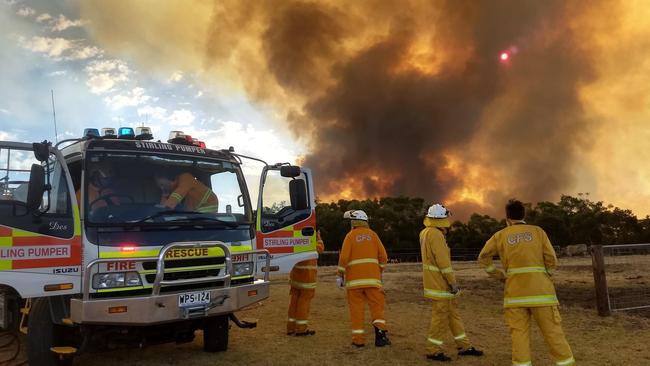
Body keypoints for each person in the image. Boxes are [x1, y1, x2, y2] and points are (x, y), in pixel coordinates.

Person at [478, 199, 575, 366]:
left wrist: (499, 275)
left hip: (515, 295)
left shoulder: (500, 235)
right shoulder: (538, 232)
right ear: (524, 215)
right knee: (553, 333)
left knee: (519, 335)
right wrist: (546, 275)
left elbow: (483, 257)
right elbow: (552, 259)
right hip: (542, 294)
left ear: (507, 219)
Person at [420, 204, 484, 362]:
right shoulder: (435, 234)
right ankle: (433, 350)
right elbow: (443, 262)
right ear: (441, 218)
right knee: (440, 318)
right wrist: (453, 283)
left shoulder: (425, 232)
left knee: (453, 315)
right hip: (441, 285)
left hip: (435, 283)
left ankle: (464, 346)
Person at [337, 210, 390, 348]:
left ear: (354, 222)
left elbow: (343, 258)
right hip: (373, 281)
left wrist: (340, 275)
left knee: (357, 310)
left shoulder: (350, 236)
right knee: (377, 308)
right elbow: (383, 256)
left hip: (354, 283)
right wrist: (379, 270)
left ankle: (358, 340)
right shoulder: (373, 235)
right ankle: (381, 338)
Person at [286, 231, 325, 336]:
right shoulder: (310, 239)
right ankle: (301, 329)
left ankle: (290, 328)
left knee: (294, 301)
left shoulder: (296, 236)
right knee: (304, 302)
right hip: (307, 277)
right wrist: (319, 238)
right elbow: (320, 249)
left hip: (295, 275)